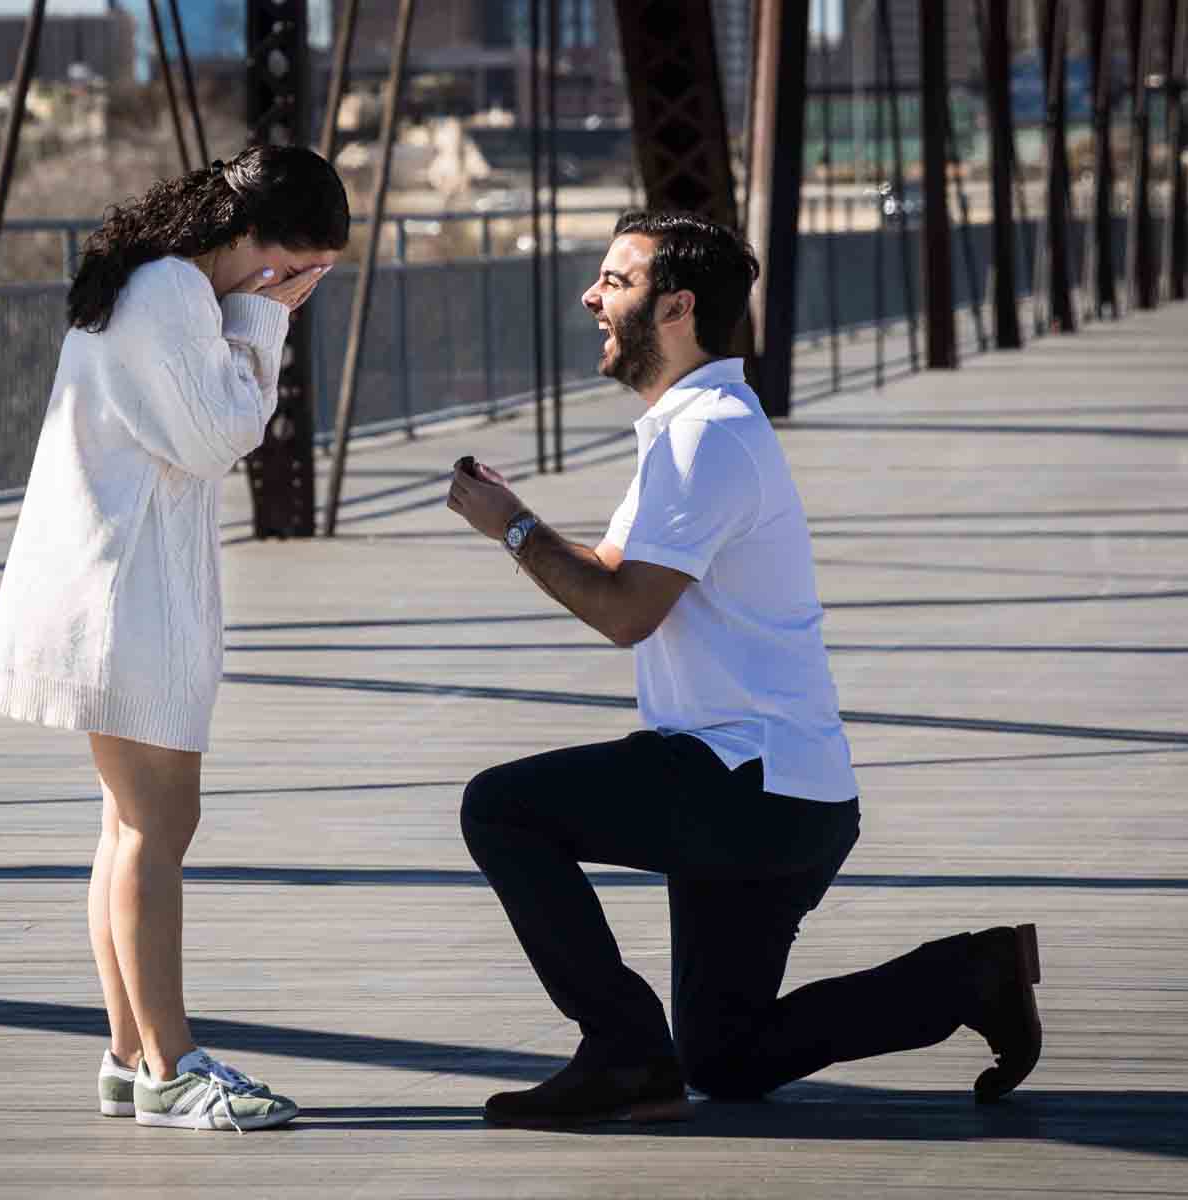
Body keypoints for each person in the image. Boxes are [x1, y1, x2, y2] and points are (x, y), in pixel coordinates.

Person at [445, 210, 1042, 1130]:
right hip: (788, 794)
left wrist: (513, 528)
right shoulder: (695, 425)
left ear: (676, 307)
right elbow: (613, 572)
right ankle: (971, 975)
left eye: (615, 280)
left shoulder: (704, 437)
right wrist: (516, 517)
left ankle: (620, 1050)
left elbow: (623, 615)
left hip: (744, 780)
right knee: (725, 1058)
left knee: (500, 806)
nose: (591, 296)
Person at [0, 145, 347, 1132]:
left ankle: (132, 1055)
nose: (303, 289)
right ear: (263, 244)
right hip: (126, 594)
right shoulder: (175, 292)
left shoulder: (158, 284)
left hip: (116, 583)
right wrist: (266, 318)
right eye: (305, 268)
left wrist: (254, 305)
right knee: (155, 831)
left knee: (130, 829)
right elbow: (219, 432)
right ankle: (173, 1066)